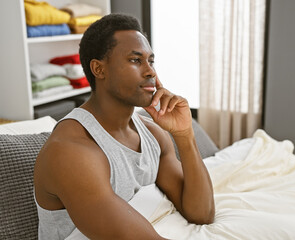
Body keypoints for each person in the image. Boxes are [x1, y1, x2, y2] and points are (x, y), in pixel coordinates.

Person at [33, 13, 215, 240]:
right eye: (135, 60)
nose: (150, 72)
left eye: (151, 61)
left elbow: (202, 214)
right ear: (99, 70)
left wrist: (184, 134)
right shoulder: (70, 151)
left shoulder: (152, 134)